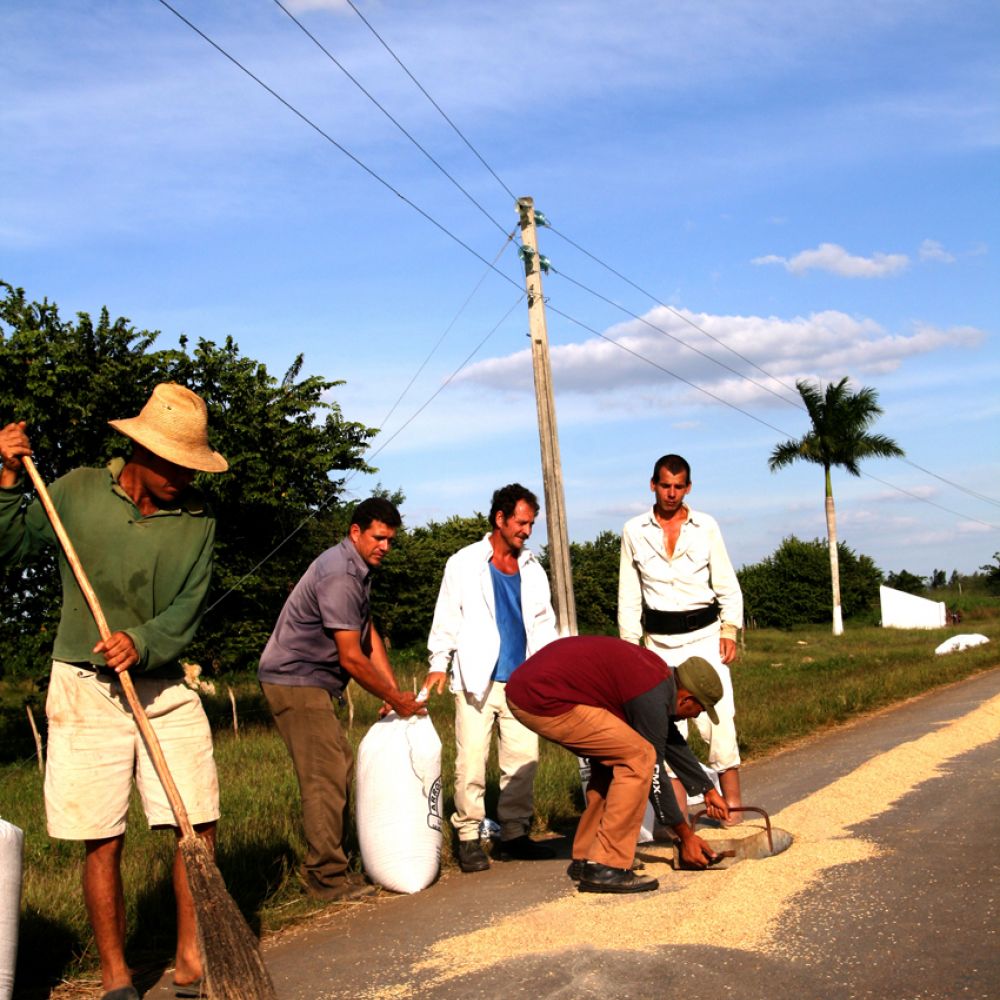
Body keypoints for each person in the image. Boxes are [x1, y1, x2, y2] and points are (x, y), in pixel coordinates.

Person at [0, 383, 228, 1000]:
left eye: (191, 464)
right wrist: (5, 476)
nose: (184, 475)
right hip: (83, 685)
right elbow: (9, 545)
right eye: (174, 463)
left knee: (196, 822)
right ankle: (116, 974)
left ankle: (189, 955)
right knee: (102, 834)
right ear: (141, 452)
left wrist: (144, 642)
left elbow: (186, 612)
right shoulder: (75, 490)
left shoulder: (198, 522)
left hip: (163, 685)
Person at [258, 497, 425, 901]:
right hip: (295, 679)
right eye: (378, 537)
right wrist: (394, 698)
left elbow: (368, 637)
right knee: (325, 774)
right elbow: (351, 656)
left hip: (311, 680)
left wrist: (393, 691)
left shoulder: (359, 570)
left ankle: (334, 866)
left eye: (391, 540)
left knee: (336, 766)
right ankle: (326, 879)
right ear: (356, 532)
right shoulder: (340, 574)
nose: (385, 546)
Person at [506, 635, 730, 893]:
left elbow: (666, 737)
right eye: (700, 711)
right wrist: (685, 835)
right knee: (639, 757)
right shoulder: (651, 692)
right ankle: (606, 864)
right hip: (541, 698)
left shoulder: (657, 680)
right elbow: (654, 769)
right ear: (686, 699)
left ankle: (589, 855)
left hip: (534, 689)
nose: (696, 716)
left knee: (616, 757)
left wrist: (707, 789)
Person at [424, 484, 559, 873]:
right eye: (521, 522)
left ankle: (514, 833)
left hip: (523, 681)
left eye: (531, 524)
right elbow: (446, 616)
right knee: (471, 761)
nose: (527, 531)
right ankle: (468, 837)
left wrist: (549, 670)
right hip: (477, 679)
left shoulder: (532, 568)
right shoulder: (464, 563)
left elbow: (543, 624)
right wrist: (439, 661)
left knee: (523, 759)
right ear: (499, 519)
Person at [619, 453, 744, 820]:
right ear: (653, 485)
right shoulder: (633, 530)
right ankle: (679, 820)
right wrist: (631, 651)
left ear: (688, 488)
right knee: (665, 728)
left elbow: (726, 583)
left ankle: (735, 811)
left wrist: (730, 628)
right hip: (658, 643)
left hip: (704, 636)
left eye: (678, 486)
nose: (671, 493)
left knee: (719, 719)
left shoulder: (705, 526)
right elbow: (629, 596)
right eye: (665, 485)